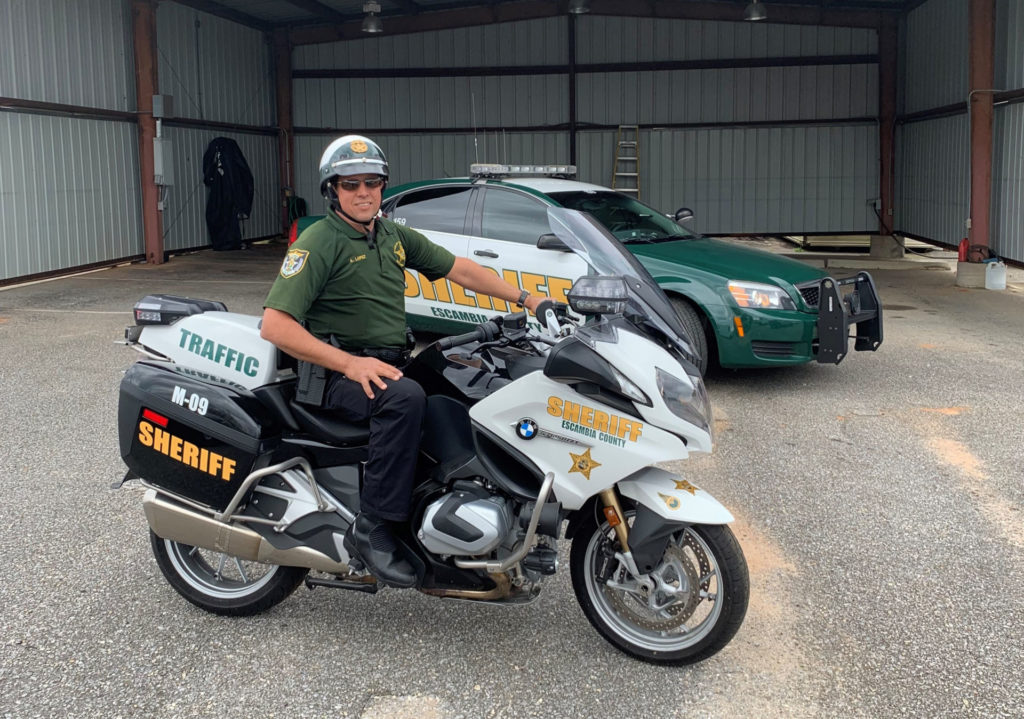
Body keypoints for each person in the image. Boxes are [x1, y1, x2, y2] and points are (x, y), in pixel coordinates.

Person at [261, 135, 549, 588]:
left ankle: (450, 512)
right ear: (331, 190)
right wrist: (350, 365)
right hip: (335, 375)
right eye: (349, 184)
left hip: (386, 364)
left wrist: (529, 299)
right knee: (405, 399)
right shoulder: (319, 241)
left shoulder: (390, 235)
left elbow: (461, 270)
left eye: (371, 182)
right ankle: (372, 528)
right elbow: (275, 326)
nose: (362, 192)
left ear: (382, 185)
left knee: (465, 382)